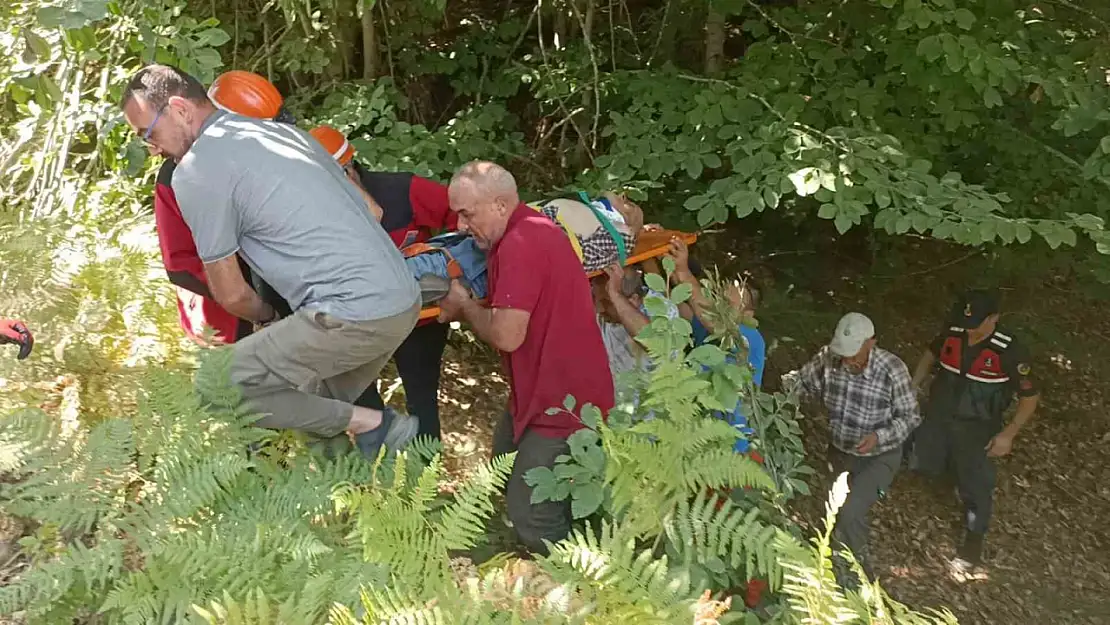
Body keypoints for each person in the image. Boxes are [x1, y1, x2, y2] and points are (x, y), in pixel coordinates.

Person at [120, 64, 421, 460]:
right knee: (314, 414)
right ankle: (361, 503)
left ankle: (376, 425)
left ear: (179, 108)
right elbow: (373, 210)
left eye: (149, 133)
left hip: (351, 311)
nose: (152, 148)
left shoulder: (195, 171)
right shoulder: (281, 133)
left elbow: (232, 294)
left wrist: (267, 316)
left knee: (220, 388)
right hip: (402, 300)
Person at [436, 161, 615, 553]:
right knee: (501, 469)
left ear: (500, 205)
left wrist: (465, 306)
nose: (462, 226)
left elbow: (506, 334)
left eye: (468, 214)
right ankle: (522, 562)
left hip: (565, 403)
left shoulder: (520, 243)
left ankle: (579, 591)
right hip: (545, 394)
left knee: (532, 511)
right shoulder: (530, 230)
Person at [310, 125, 457, 441]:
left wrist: (455, 272)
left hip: (420, 319)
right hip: (363, 323)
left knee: (422, 396)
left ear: (349, 170)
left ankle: (424, 473)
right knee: (360, 396)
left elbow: (462, 216)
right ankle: (380, 466)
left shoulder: (404, 191)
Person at [152, 70, 289, 345]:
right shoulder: (176, 178)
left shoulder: (282, 152)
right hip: (232, 317)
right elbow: (179, 263)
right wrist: (248, 301)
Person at [908, 290, 1040, 572]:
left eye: (977, 322)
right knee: (926, 460)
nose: (970, 328)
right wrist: (914, 384)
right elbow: (931, 353)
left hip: (977, 426)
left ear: (994, 318)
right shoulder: (955, 331)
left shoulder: (1009, 350)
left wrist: (1008, 434)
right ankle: (944, 480)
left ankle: (972, 546)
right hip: (939, 415)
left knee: (976, 484)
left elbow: (1030, 397)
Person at [792, 312, 920, 587]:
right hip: (840, 453)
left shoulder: (891, 369)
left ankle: (856, 581)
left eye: (853, 353)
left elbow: (910, 417)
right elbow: (800, 384)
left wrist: (878, 436)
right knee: (838, 514)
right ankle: (844, 577)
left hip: (880, 456)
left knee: (851, 511)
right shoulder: (828, 358)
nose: (847, 359)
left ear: (871, 343)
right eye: (843, 352)